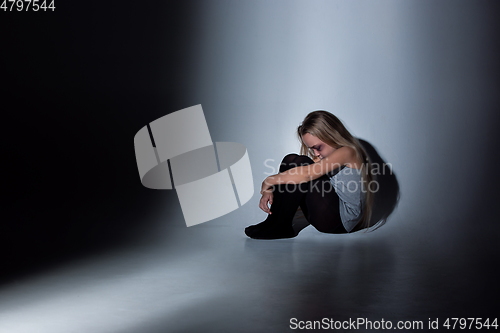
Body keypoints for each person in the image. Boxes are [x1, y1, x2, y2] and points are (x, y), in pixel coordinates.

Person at [245, 110, 376, 240]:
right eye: (311, 149)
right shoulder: (326, 156)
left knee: (301, 164)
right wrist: (270, 189)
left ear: (332, 136)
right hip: (326, 213)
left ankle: (279, 225)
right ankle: (274, 221)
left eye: (318, 147)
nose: (316, 153)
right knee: (292, 160)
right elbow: (296, 173)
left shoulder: (348, 152)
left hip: (343, 221)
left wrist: (269, 181)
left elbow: (306, 174)